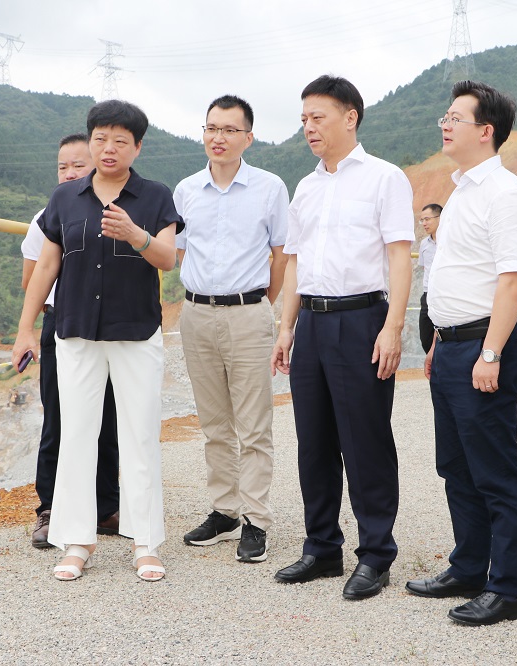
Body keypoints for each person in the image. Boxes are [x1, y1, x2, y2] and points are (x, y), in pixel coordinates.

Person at [12, 99, 182, 582]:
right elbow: (47, 266)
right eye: (101, 139)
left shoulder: (155, 196)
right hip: (76, 332)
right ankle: (77, 541)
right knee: (77, 436)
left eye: (120, 141)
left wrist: (135, 235)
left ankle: (146, 543)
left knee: (139, 434)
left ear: (137, 147)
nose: (109, 148)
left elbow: (168, 259)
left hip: (136, 333)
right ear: (90, 142)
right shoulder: (65, 199)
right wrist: (25, 329)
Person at [270, 75, 413, 600]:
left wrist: (392, 326)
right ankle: (322, 547)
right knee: (314, 440)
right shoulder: (306, 187)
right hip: (311, 321)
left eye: (318, 117)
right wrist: (286, 328)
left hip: (361, 320)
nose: (309, 127)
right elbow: (294, 263)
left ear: (350, 117)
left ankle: (376, 554)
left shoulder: (384, 178)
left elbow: (400, 256)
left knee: (365, 439)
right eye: (304, 119)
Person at [406, 80, 517, 627]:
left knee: (495, 472)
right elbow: (455, 274)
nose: (445, 123)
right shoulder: (461, 190)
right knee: (456, 467)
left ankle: (506, 590)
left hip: (485, 345)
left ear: (486, 131)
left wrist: (490, 353)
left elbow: (512, 281)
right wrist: (439, 339)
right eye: (445, 115)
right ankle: (467, 568)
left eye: (455, 117)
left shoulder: (506, 193)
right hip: (452, 344)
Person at [174, 95, 288, 563]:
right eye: (211, 128)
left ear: (248, 137)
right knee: (214, 423)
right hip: (196, 314)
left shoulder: (269, 187)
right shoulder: (186, 190)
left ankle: (256, 519)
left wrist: (261, 305)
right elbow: (181, 251)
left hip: (248, 313)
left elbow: (282, 254)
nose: (217, 137)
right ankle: (224, 511)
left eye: (228, 130)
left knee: (254, 425)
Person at [20, 133, 121, 549]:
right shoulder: (46, 216)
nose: (69, 173)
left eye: (78, 165)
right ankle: (50, 509)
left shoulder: (116, 211)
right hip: (61, 322)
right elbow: (31, 281)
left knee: (108, 417)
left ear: (97, 164)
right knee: (58, 418)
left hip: (109, 325)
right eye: (62, 167)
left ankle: (106, 506)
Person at [416, 203, 442, 353]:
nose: (424, 223)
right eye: (422, 220)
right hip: (427, 295)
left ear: (440, 218)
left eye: (427, 219)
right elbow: (424, 267)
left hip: (445, 295)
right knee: (426, 338)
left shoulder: (450, 242)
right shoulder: (424, 244)